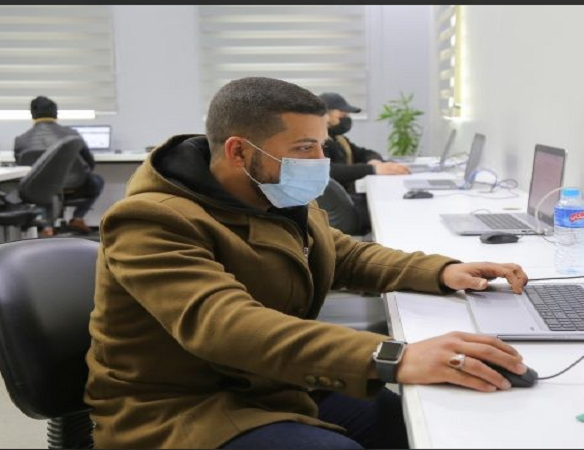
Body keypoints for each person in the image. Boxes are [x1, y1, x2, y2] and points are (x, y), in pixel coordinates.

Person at [85, 77, 530, 449]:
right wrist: (393, 355)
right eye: (304, 148)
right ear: (239, 152)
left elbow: (344, 254)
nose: (321, 162)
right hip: (180, 409)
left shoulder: (272, 195)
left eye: (322, 146)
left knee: (408, 422)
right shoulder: (151, 220)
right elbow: (223, 325)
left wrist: (441, 271)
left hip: (270, 383)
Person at [320, 93, 411, 235]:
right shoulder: (318, 142)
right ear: (324, 115)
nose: (347, 118)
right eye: (342, 114)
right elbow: (329, 171)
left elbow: (364, 152)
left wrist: (374, 161)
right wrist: (373, 169)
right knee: (389, 207)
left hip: (350, 197)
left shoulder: (338, 139)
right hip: (344, 206)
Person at [12, 96, 104, 235]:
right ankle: (78, 217)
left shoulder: (21, 140)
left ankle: (47, 226)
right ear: (55, 114)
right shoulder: (72, 135)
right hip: (75, 186)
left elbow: (23, 170)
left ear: (32, 115)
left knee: (44, 188)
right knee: (98, 180)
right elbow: (90, 162)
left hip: (40, 189)